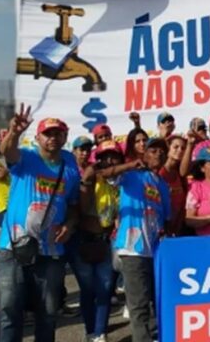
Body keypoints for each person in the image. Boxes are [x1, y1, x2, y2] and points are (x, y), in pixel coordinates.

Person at [0, 107, 81, 342]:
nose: (52, 138)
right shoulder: (26, 157)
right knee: (10, 310)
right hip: (14, 247)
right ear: (37, 137)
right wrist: (14, 132)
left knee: (48, 313)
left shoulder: (70, 165)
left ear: (65, 137)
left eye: (57, 133)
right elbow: (7, 151)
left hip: (51, 251)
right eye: (47, 133)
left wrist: (70, 225)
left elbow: (74, 204)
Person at [114, 137, 171, 342]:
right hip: (132, 249)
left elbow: (166, 218)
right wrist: (129, 165)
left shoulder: (162, 184)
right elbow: (104, 175)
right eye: (153, 151)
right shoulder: (131, 176)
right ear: (144, 154)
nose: (158, 154)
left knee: (157, 300)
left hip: (154, 251)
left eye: (162, 152)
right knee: (139, 305)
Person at [71, 140, 122, 342]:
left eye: (114, 157)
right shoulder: (90, 177)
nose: (109, 161)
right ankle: (90, 330)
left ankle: (100, 332)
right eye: (105, 157)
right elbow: (83, 209)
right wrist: (87, 181)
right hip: (83, 241)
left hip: (107, 241)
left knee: (105, 289)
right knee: (88, 289)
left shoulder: (121, 182)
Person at [160, 135, 188, 236]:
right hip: (162, 227)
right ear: (168, 149)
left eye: (183, 148)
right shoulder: (160, 173)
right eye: (176, 147)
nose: (180, 150)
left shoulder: (181, 174)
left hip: (177, 227)